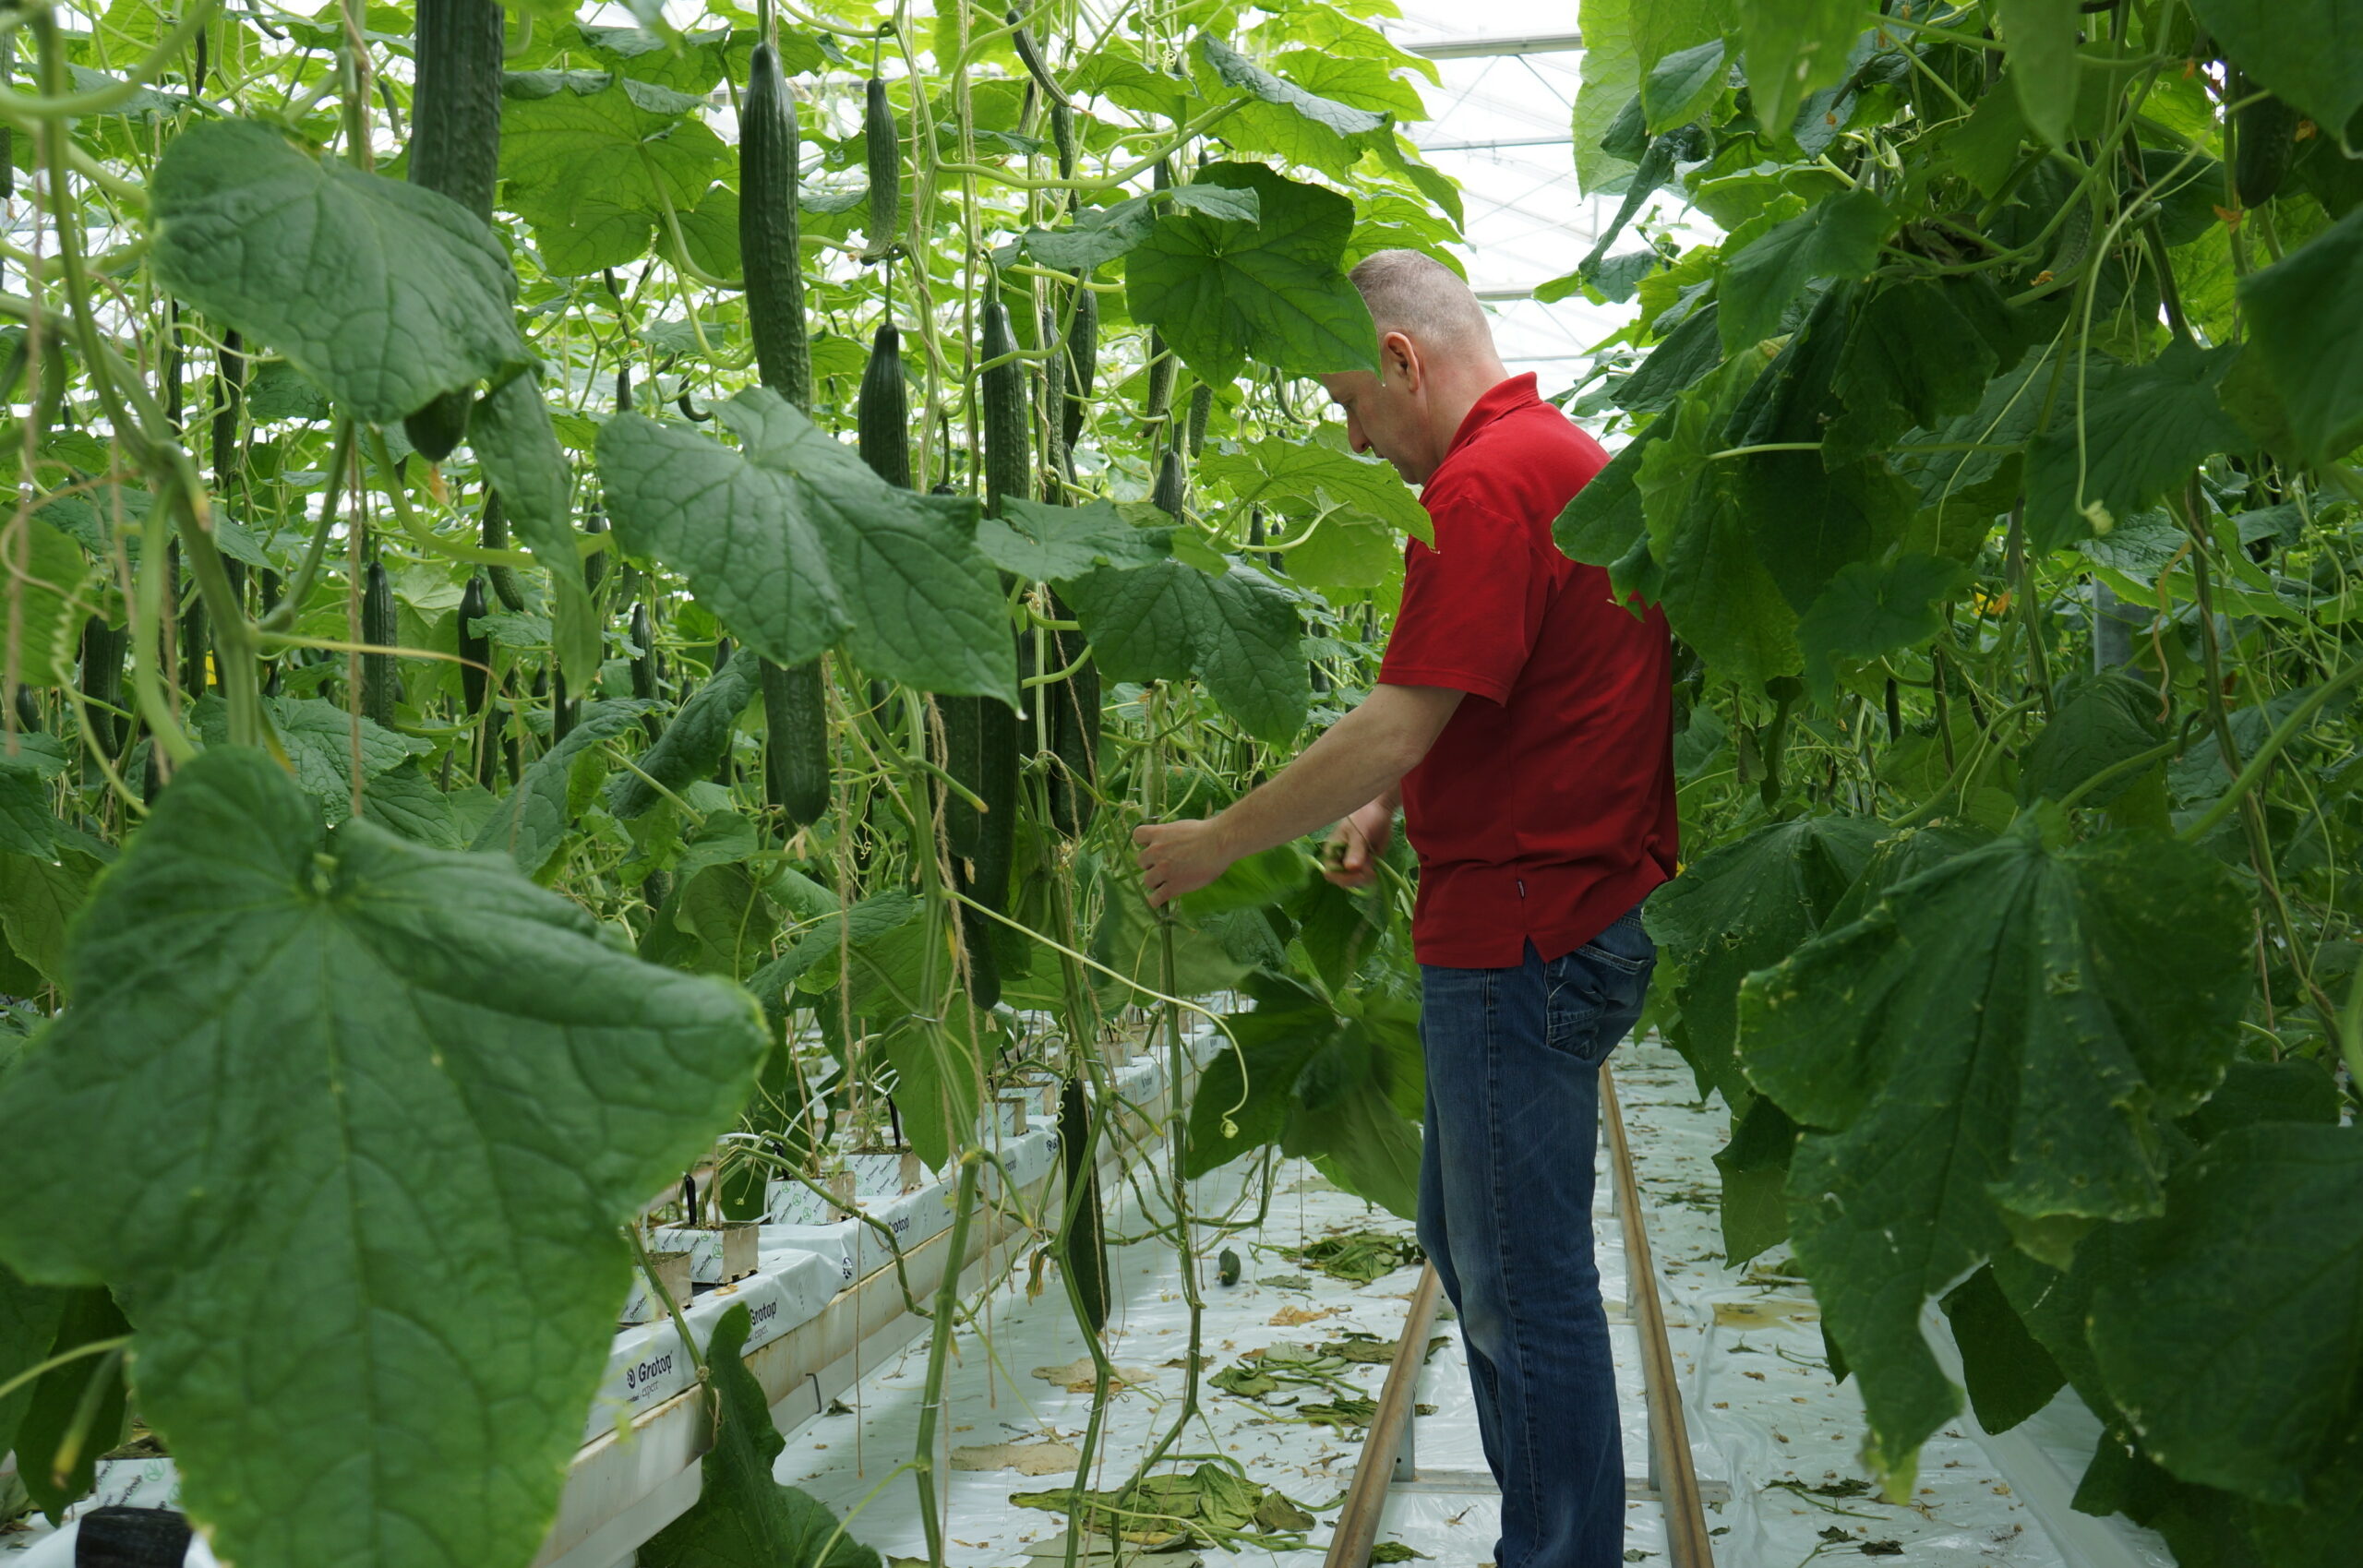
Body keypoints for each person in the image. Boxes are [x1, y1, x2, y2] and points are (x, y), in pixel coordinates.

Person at [1132, 249, 1678, 1568]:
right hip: (1564, 919)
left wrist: (1218, 837)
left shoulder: (1486, 485)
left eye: (1350, 409)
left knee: (1518, 1292)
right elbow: (1503, 694)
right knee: (1476, 1255)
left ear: (1401, 362)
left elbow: (1394, 719)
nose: (1357, 441)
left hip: (1519, 941)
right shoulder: (1554, 456)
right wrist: (1397, 803)